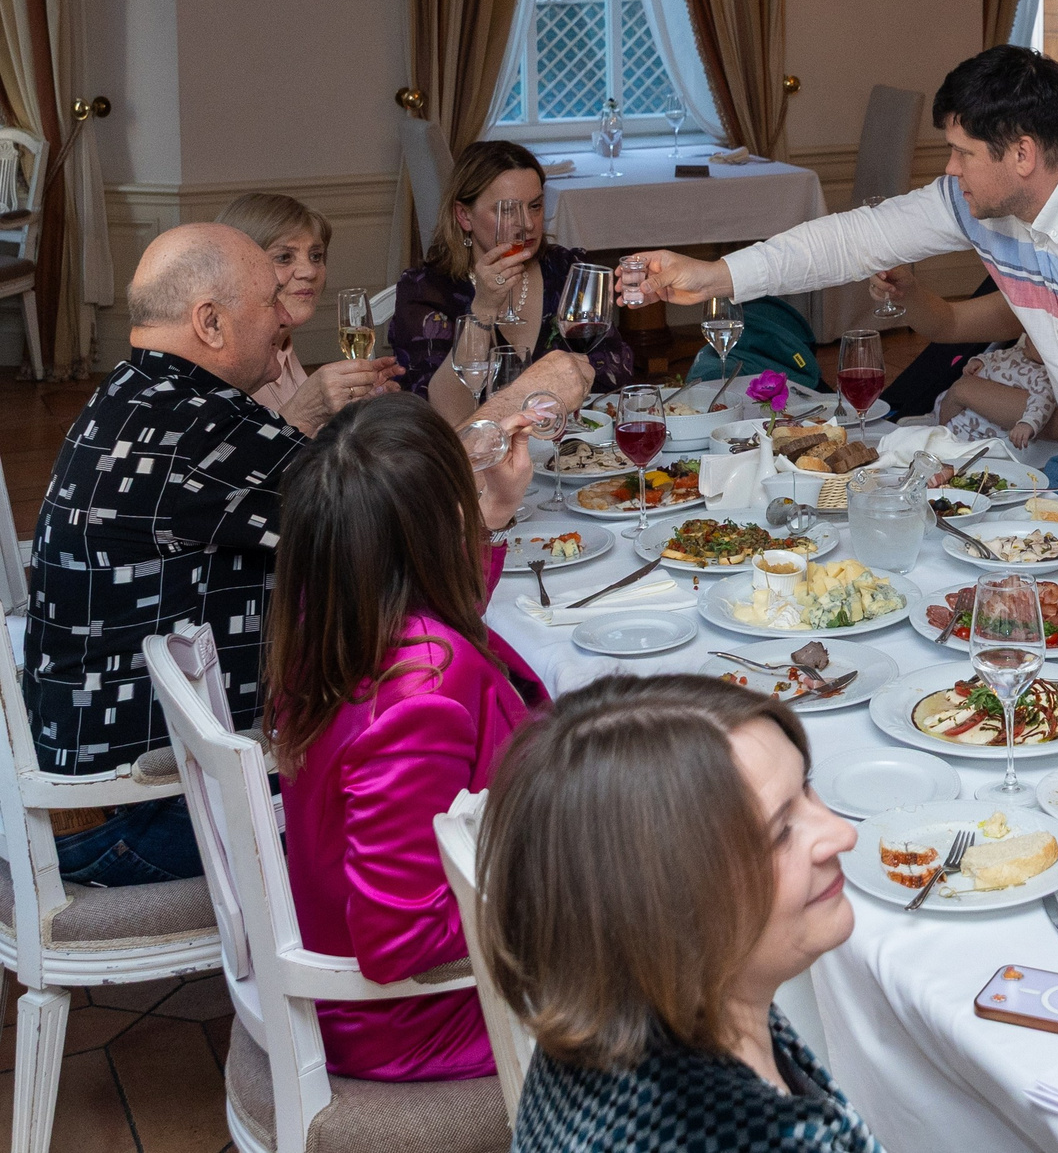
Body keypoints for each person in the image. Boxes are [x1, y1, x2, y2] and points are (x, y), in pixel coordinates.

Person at [619, 48, 1058, 561]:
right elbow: (857, 236)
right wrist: (716, 275)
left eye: (964, 152)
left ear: (1022, 153)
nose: (951, 169)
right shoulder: (982, 202)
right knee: (980, 566)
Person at [23, 224, 572, 881]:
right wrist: (492, 498)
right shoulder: (200, 427)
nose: (286, 317)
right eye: (268, 302)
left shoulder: (141, 395)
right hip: (134, 810)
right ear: (210, 321)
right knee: (516, 800)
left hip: (102, 786)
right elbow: (400, 538)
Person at [481, 675, 1058, 1153]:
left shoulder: (645, 1008)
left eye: (810, 792)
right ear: (666, 903)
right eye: (782, 829)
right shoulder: (738, 1131)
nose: (840, 833)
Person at [268, 395, 548, 1083]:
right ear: (439, 521)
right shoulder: (420, 694)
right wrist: (559, 879)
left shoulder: (333, 611)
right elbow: (399, 940)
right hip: (428, 1019)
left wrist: (495, 516)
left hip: (374, 986)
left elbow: (432, 619)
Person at [388, 138, 637, 419]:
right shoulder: (426, 290)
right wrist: (483, 308)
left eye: (535, 206)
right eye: (507, 209)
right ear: (464, 216)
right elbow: (445, 418)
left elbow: (618, 373)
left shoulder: (567, 271)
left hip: (569, 452)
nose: (528, 224)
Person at [218, 191, 377, 418]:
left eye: (316, 256)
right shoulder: (225, 361)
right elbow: (235, 451)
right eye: (284, 257)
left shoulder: (282, 345)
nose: (310, 271)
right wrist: (304, 411)